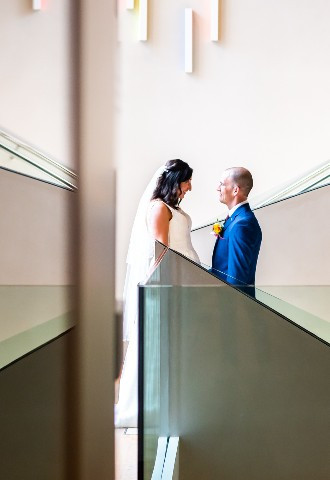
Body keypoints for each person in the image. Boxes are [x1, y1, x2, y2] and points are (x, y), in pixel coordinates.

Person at [115, 159, 200, 427]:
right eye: (187, 180)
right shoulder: (158, 208)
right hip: (172, 278)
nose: (190, 187)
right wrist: (161, 285)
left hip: (186, 277)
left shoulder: (173, 208)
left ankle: (175, 399)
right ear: (175, 181)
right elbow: (161, 249)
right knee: (160, 339)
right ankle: (147, 404)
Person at [211, 167, 262, 295]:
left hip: (230, 305)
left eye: (222, 184)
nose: (218, 188)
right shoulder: (235, 219)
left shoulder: (242, 224)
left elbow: (236, 280)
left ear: (235, 190)